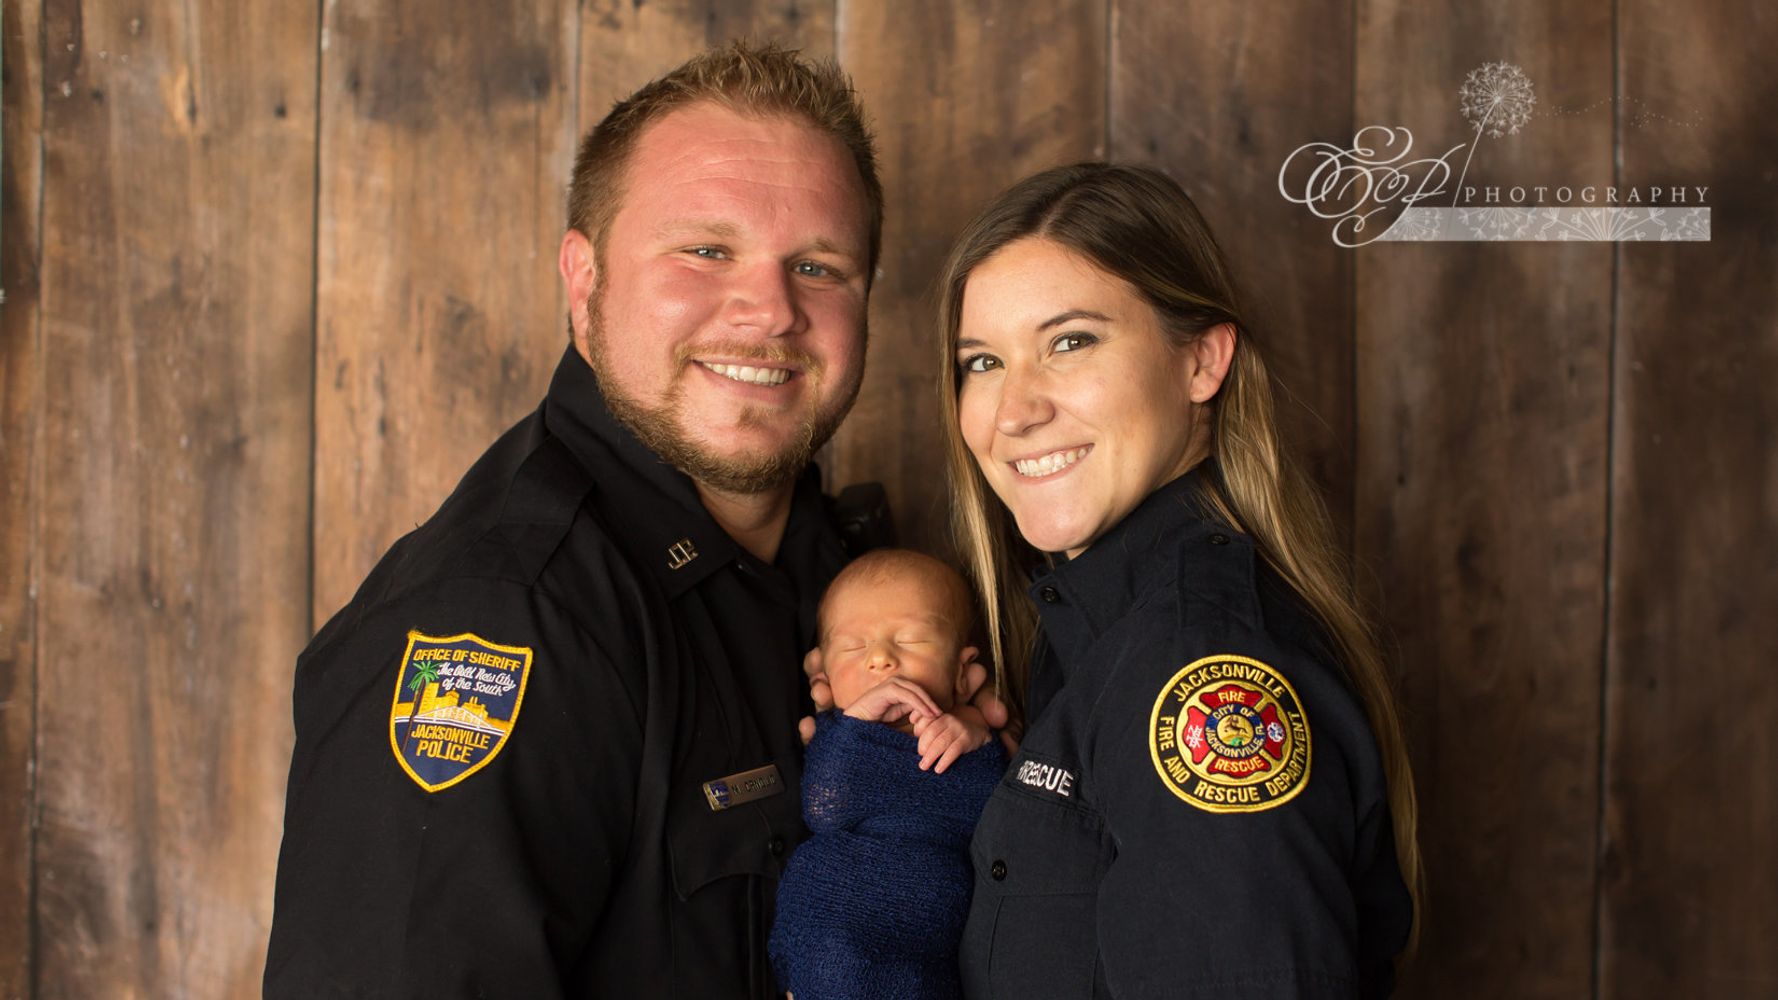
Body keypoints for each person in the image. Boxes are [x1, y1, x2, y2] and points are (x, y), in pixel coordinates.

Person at [265, 43, 887, 998]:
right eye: (706, 250)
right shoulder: (509, 616)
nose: (770, 311)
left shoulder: (852, 572)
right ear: (583, 279)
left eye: (819, 265)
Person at [935, 164, 1422, 998]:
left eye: (1070, 342)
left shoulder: (1198, 667)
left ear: (1201, 361)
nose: (1013, 411)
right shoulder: (1086, 632)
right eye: (982, 361)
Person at [769, 549, 1006, 1000]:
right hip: (824, 925)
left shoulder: (968, 732)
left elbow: (983, 813)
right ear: (823, 672)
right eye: (854, 647)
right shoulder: (837, 735)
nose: (879, 658)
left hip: (922, 925)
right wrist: (854, 725)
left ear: (961, 671)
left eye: (912, 640)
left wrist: (977, 740)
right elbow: (825, 807)